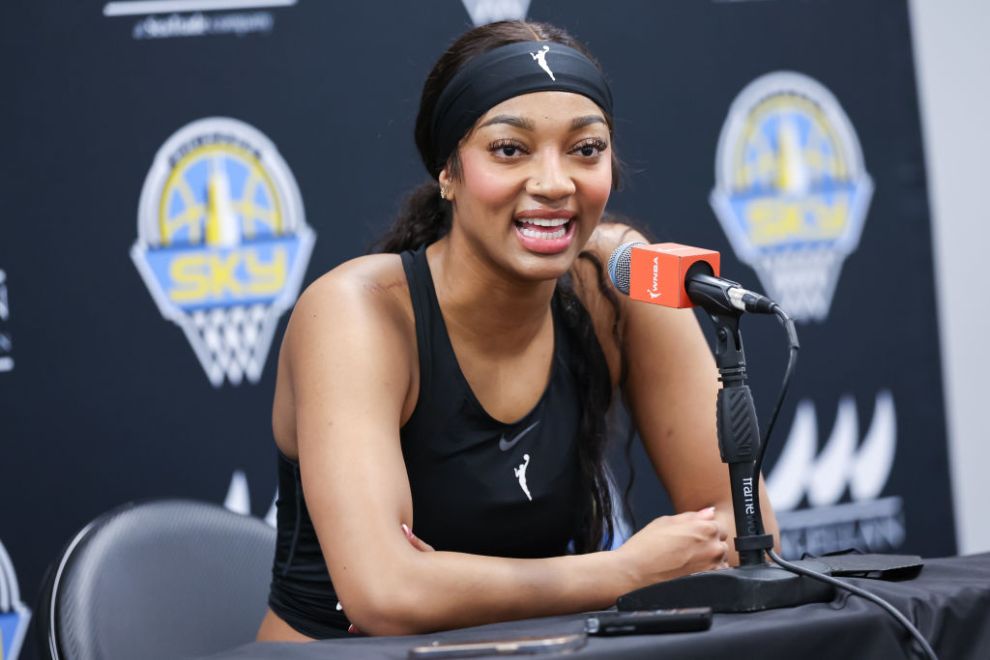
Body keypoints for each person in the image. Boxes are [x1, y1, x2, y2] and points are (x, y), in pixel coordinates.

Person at [256, 19, 779, 641]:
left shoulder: (617, 279)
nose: (555, 184)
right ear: (447, 172)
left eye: (586, 149)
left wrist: (449, 580)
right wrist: (623, 572)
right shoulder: (357, 312)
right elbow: (386, 595)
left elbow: (741, 531)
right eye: (510, 149)